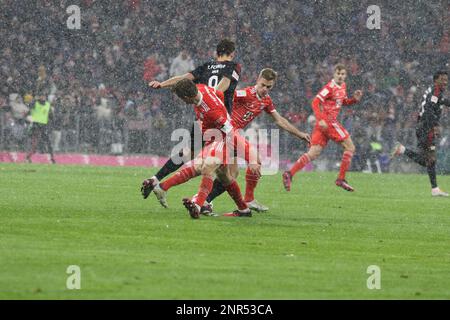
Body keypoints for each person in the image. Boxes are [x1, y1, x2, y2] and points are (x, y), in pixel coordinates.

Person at [201, 68, 311, 215]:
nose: (265, 89)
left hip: (233, 136)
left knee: (230, 175)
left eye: (269, 87)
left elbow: (279, 120)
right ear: (258, 80)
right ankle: (245, 199)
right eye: (263, 85)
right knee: (253, 160)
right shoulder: (245, 93)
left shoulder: (266, 101)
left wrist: (299, 134)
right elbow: (222, 97)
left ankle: (204, 201)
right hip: (225, 133)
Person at [141, 39, 241, 199]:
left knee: (187, 154)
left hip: (202, 119)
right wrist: (212, 96)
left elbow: (183, 79)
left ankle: (155, 179)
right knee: (231, 171)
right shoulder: (234, 66)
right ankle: (204, 201)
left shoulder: (206, 66)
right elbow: (225, 82)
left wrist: (162, 84)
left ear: (217, 53)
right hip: (220, 120)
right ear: (232, 53)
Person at [148, 79, 260, 218]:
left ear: (187, 98)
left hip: (224, 138)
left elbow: (233, 134)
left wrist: (252, 159)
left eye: (181, 99)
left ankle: (197, 204)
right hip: (212, 137)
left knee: (205, 167)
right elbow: (219, 94)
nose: (182, 102)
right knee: (224, 177)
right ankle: (244, 210)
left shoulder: (212, 112)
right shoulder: (200, 88)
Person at [283, 64, 363, 192]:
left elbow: (342, 102)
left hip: (324, 124)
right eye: (338, 74)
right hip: (328, 121)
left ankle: (289, 173)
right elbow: (315, 101)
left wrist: (354, 100)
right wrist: (320, 119)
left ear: (345, 75)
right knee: (350, 147)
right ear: (334, 74)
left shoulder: (342, 86)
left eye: (343, 74)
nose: (341, 76)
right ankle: (340, 179)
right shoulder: (329, 87)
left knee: (313, 152)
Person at [391, 71, 450, 196]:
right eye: (443, 79)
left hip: (422, 126)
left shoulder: (435, 91)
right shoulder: (435, 91)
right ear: (436, 80)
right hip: (426, 128)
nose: (445, 82)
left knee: (429, 160)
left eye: (446, 79)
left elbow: (440, 101)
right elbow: (429, 109)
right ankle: (403, 150)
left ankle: (435, 189)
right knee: (430, 159)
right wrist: (434, 126)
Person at [25, 92, 56, 164]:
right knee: (35, 144)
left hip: (43, 126)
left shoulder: (48, 105)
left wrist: (52, 117)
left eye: (44, 96)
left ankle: (52, 158)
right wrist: (29, 119)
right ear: (39, 97)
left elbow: (51, 116)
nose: (43, 97)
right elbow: (28, 112)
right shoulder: (35, 103)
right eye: (41, 96)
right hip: (35, 125)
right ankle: (28, 157)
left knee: (48, 143)